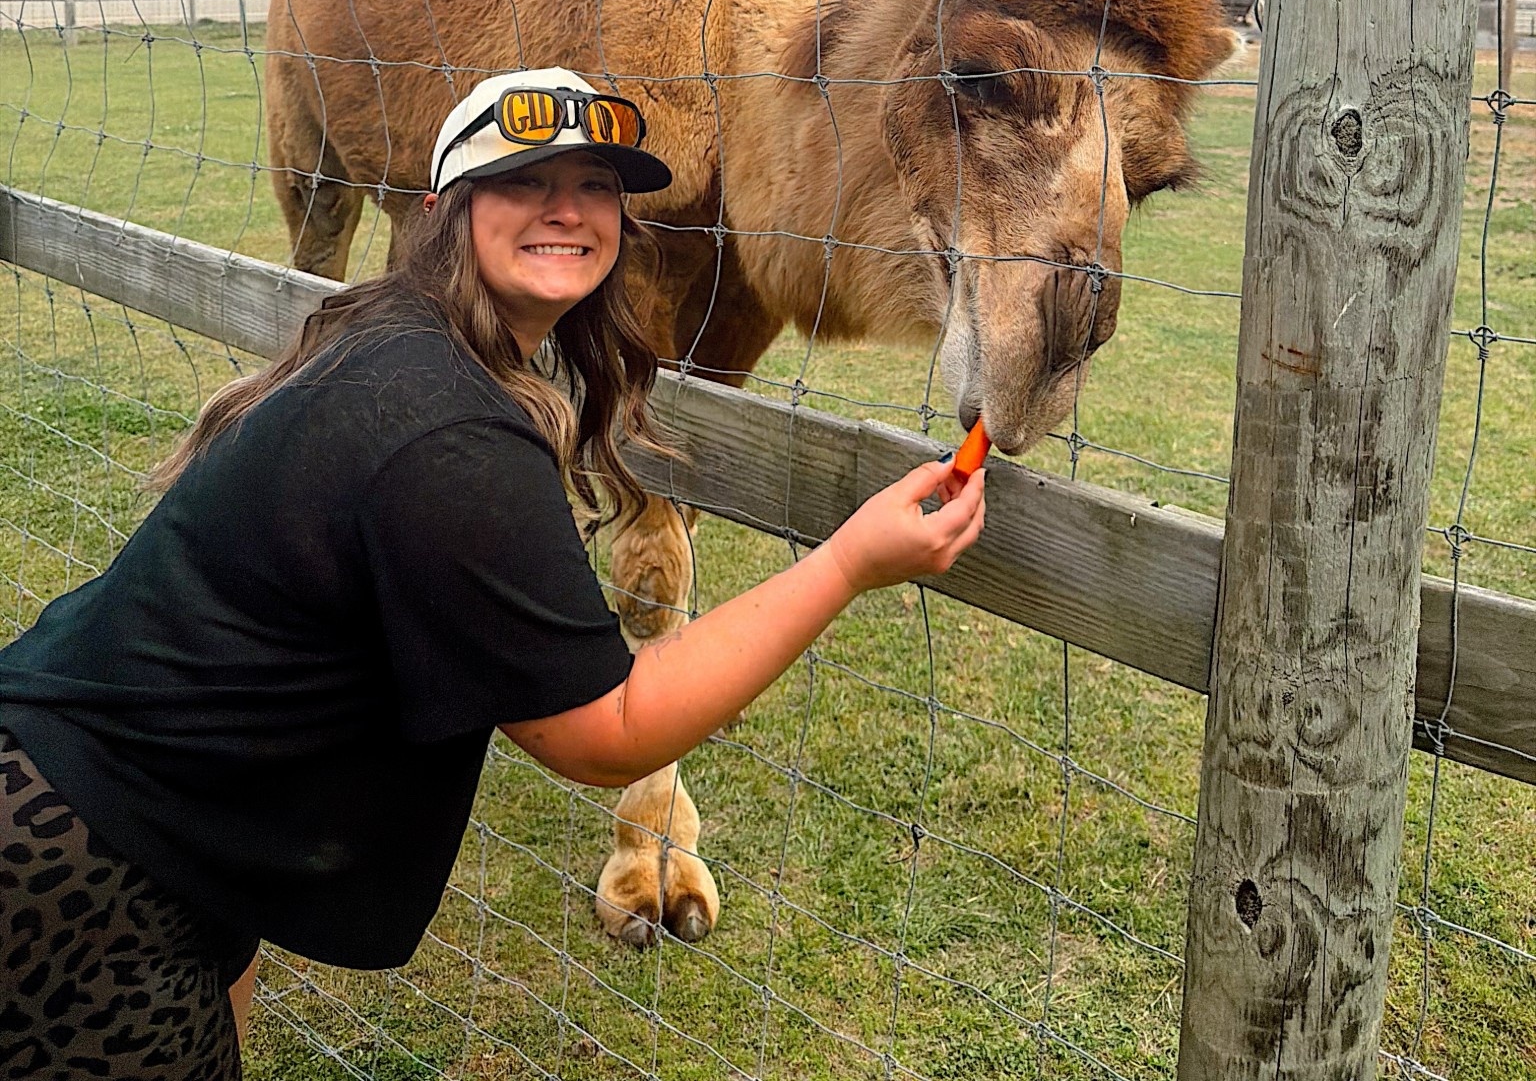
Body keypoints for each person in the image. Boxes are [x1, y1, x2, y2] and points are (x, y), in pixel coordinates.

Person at [0, 68, 985, 1077]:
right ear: (441, 212)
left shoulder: (390, 343)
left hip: (130, 828)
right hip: (74, 876)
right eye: (523, 180)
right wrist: (851, 559)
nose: (567, 206)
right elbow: (611, 728)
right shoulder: (449, 429)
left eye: (596, 184)